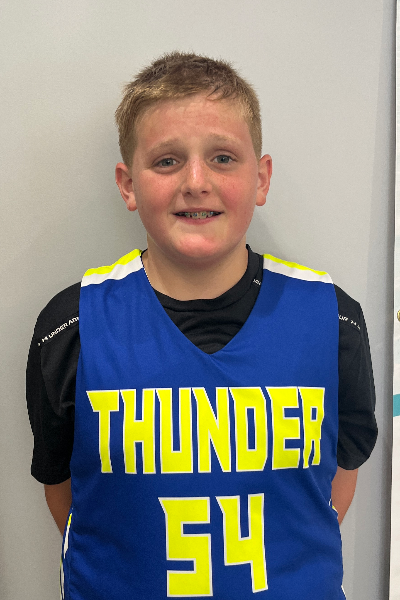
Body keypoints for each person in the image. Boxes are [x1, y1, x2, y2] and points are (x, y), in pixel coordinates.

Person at [26, 52, 377, 600]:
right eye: (167, 161)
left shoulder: (333, 319)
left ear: (261, 179)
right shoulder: (71, 327)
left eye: (222, 158)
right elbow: (66, 492)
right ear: (128, 185)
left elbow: (337, 477)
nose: (196, 181)